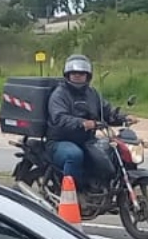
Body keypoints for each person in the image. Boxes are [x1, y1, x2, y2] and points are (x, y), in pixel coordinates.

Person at [45, 54, 129, 189]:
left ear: (88, 75)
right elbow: (60, 118)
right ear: (67, 75)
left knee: (111, 151)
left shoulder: (92, 93)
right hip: (59, 141)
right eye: (74, 73)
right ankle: (72, 193)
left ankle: (103, 188)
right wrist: (82, 123)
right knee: (74, 154)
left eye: (81, 73)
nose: (77, 76)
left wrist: (123, 117)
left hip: (86, 140)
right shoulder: (59, 94)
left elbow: (106, 111)